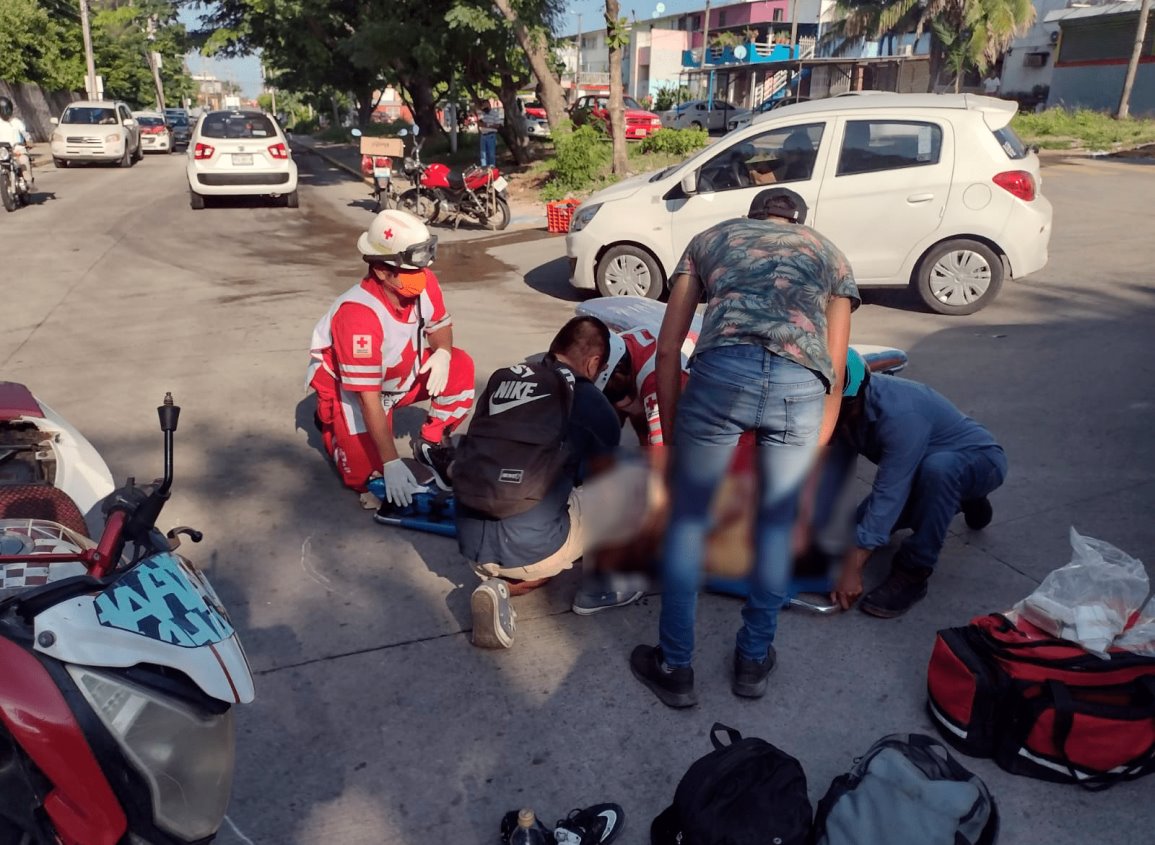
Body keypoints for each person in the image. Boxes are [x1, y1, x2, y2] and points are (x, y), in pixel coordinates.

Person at [630, 187, 860, 708]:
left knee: (690, 522)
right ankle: (752, 662)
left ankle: (676, 667)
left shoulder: (710, 239)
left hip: (722, 375)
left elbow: (668, 347)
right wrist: (816, 446)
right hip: (800, 386)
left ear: (753, 215)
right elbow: (838, 366)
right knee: (777, 525)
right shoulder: (830, 254)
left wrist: (669, 436)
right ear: (800, 221)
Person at [457, 316, 654, 649]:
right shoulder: (591, 402)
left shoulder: (507, 381)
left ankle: (500, 580)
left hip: (472, 545)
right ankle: (601, 588)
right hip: (534, 548)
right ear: (594, 362)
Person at [821, 349, 1008, 618]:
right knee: (848, 533)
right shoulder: (843, 410)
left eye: (838, 408)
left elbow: (890, 491)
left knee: (939, 471)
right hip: (916, 470)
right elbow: (831, 477)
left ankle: (914, 571)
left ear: (857, 397)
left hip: (980, 460)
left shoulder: (901, 414)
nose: (828, 416)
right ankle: (960, 500)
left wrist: (853, 565)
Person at [307, 209, 475, 504]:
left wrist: (444, 353)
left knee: (461, 365)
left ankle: (431, 442)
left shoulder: (422, 280)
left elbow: (440, 325)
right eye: (410, 272)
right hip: (354, 389)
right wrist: (390, 461)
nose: (420, 279)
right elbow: (367, 396)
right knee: (365, 480)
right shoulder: (358, 315)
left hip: (397, 374)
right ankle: (330, 424)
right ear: (382, 271)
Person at [0, 97, 32, 190]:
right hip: (3, 150)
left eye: (7, 109)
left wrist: (29, 140)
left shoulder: (16, 122)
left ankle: (29, 182)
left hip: (17, 149)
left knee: (24, 161)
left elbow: (25, 133)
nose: (6, 112)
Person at [478, 103, 500, 168]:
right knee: (483, 155)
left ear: (489, 105)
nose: (484, 108)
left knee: (491, 154)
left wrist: (487, 125)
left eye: (486, 106)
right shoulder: (482, 114)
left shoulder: (494, 113)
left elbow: (497, 125)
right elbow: (480, 123)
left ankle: (492, 169)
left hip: (491, 135)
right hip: (483, 135)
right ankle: (484, 170)